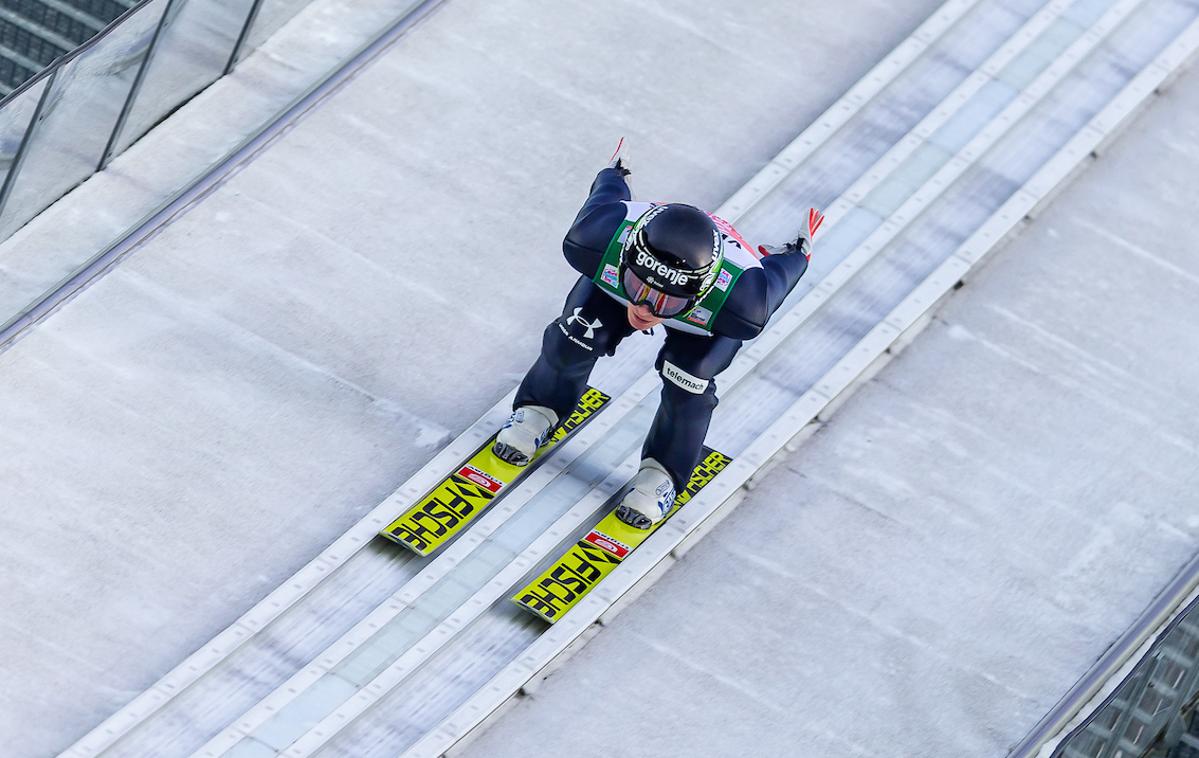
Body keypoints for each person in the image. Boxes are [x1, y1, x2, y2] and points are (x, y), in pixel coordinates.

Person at [494, 139, 823, 529]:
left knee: (689, 378)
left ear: (703, 291)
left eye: (664, 303)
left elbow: (779, 277)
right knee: (575, 333)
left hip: (701, 317)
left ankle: (662, 474)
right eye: (642, 288)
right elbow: (607, 192)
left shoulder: (742, 303)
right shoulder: (597, 236)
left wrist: (797, 252)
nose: (647, 310)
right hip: (655, 293)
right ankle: (539, 410)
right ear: (627, 255)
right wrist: (615, 172)